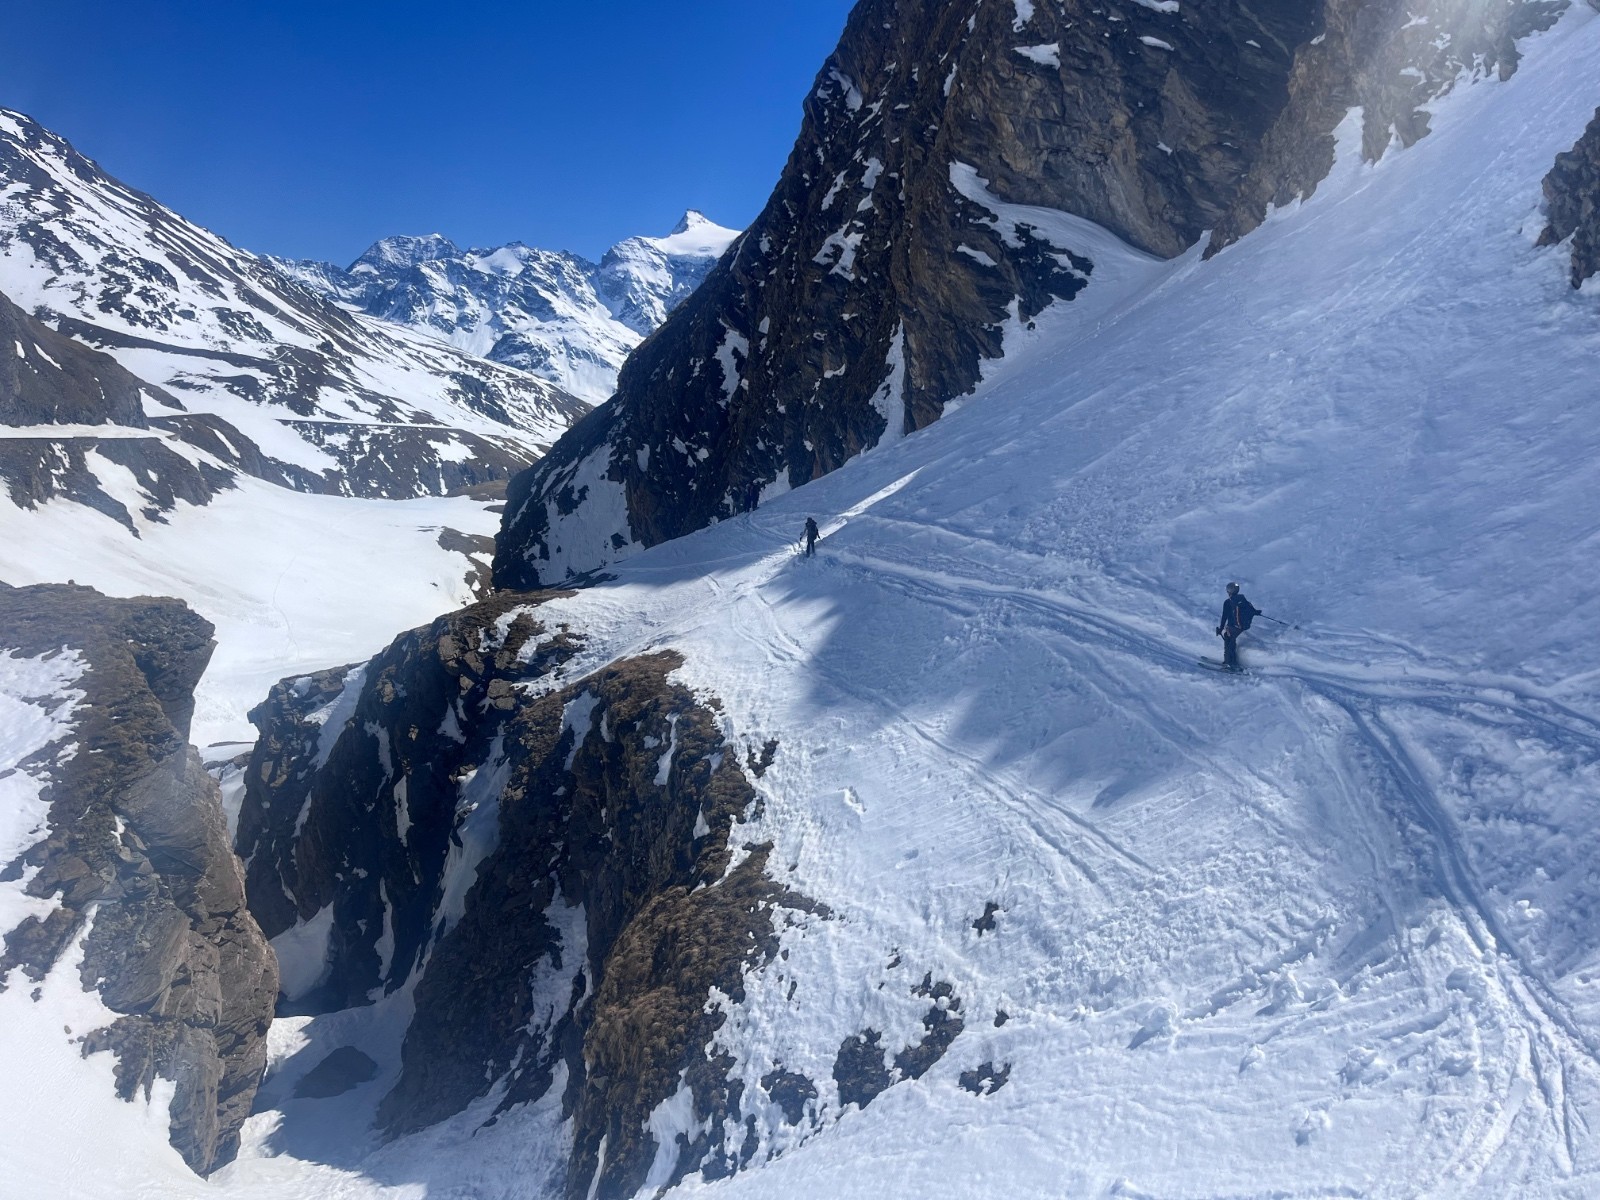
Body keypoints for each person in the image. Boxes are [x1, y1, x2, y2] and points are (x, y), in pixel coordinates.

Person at [1216, 582, 1259, 670]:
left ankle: (1228, 663)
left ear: (1229, 591)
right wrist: (1257, 612)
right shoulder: (1243, 599)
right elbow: (1252, 611)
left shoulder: (1228, 602)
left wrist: (1221, 628)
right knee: (1231, 639)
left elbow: (1224, 616)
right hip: (1243, 626)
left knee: (1228, 639)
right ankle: (1233, 661)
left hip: (1234, 626)